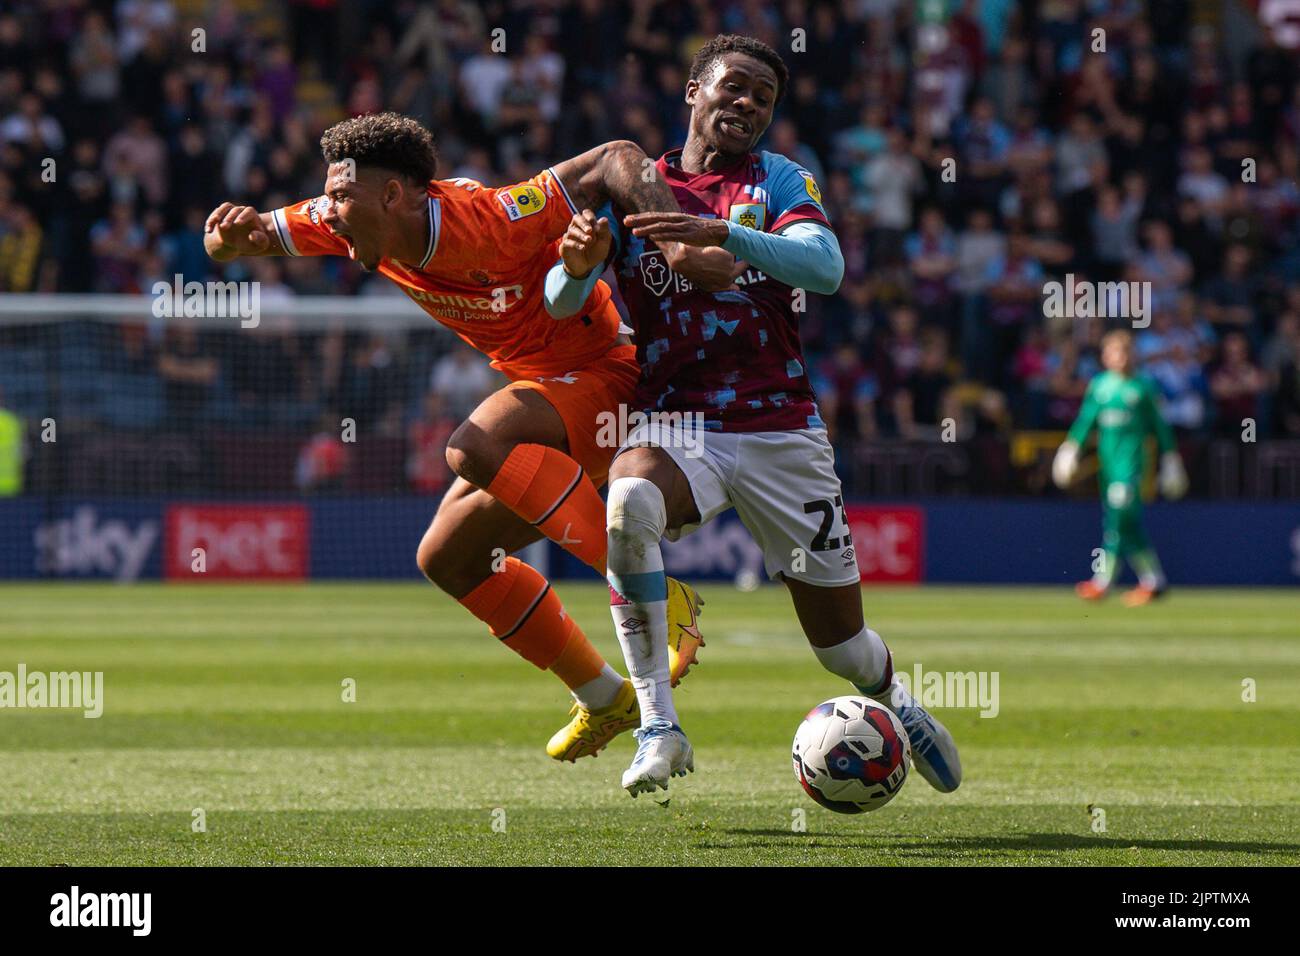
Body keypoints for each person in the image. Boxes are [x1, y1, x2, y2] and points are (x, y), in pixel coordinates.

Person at [203, 112, 733, 761]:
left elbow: (615, 155)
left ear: (394, 195)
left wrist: (675, 244)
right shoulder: (349, 215)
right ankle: (605, 697)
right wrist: (228, 243)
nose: (330, 214)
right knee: (447, 559)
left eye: (341, 199)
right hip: (549, 396)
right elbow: (256, 233)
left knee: (472, 447)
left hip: (610, 376)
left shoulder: (490, 220)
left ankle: (651, 586)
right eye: (329, 198)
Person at [545, 34, 962, 798]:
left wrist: (727, 234)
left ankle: (898, 701)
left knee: (841, 649)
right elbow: (558, 301)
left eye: (762, 98)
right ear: (694, 92)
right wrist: (573, 272)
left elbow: (827, 267)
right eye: (732, 87)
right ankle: (659, 726)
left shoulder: (776, 179)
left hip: (780, 429)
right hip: (678, 420)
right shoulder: (635, 186)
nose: (746, 104)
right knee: (629, 500)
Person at [1052, 330, 1189, 605]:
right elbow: (1086, 420)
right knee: (1127, 523)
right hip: (1108, 466)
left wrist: (1171, 459)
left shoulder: (1142, 388)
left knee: (1116, 520)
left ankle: (1103, 581)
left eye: (1126, 352)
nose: (1121, 358)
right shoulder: (1100, 386)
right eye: (1116, 352)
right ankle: (1153, 580)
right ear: (1105, 356)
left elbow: (1160, 427)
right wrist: (1071, 448)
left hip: (1133, 466)